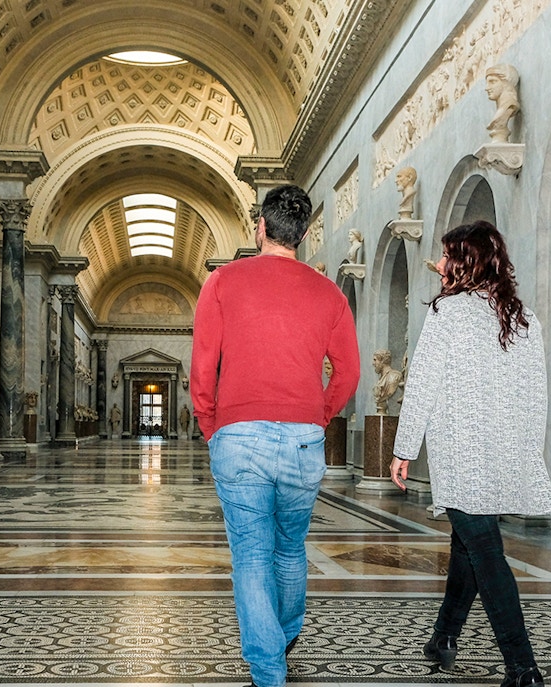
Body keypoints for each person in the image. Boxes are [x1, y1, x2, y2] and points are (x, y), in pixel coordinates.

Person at [190, 184, 360, 687]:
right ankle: (284, 636)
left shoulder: (221, 282)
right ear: (304, 235)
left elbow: (202, 367)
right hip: (305, 440)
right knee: (290, 549)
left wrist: (210, 425)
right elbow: (347, 372)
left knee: (251, 555)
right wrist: (318, 415)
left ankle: (268, 671)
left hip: (238, 435)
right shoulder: (328, 293)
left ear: (260, 227)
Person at [390, 221, 551, 687]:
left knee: (485, 551)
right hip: (504, 453)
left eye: (447, 256)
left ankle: (522, 667)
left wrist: (403, 449)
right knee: (468, 545)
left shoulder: (447, 311)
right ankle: (443, 637)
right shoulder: (522, 315)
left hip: (463, 455)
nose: (439, 265)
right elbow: (536, 393)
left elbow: (420, 385)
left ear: (466, 260)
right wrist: (528, 451)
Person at [485, 63, 521, 143]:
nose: (486, 88)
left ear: (506, 83)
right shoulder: (500, 112)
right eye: (487, 83)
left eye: (492, 82)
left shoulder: (510, 107)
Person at [371, 349, 404, 415]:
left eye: (375, 360)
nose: (373, 363)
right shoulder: (381, 378)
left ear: (382, 361)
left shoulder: (394, 377)